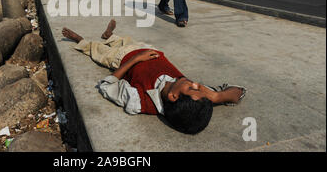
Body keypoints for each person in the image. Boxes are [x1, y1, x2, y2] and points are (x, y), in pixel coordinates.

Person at [62, 20, 246, 135]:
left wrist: (134, 60)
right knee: (125, 40)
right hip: (145, 48)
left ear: (173, 97)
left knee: (99, 51)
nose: (196, 84)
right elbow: (238, 92)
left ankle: (81, 40)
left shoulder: (140, 101)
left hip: (122, 59)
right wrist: (216, 96)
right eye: (200, 88)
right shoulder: (196, 97)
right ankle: (110, 35)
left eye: (192, 88)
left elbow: (106, 85)